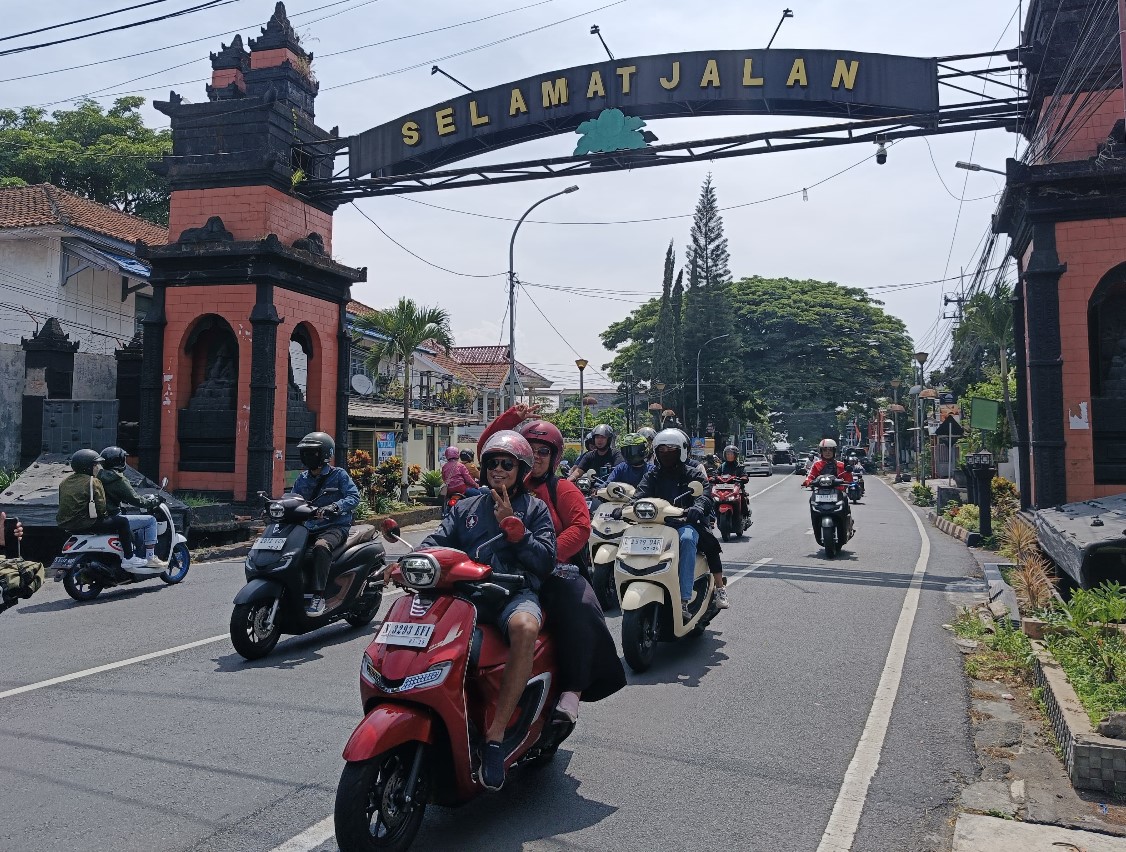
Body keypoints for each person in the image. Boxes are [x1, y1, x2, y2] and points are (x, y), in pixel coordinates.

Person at [418, 431, 556, 791]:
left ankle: (494, 738)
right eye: (492, 463)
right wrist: (411, 560)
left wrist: (517, 531)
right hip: (467, 598)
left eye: (506, 464)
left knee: (526, 627)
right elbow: (435, 542)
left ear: (521, 470)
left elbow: (544, 561)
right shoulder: (465, 508)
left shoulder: (535, 508)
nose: (498, 470)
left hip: (513, 594)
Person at [477, 408, 626, 723]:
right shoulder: (510, 479)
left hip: (554, 569)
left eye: (544, 451)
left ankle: (572, 692)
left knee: (581, 605)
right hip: (504, 568)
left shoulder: (564, 490)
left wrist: (546, 554)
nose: (538, 456)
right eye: (532, 450)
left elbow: (580, 527)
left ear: (555, 456)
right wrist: (511, 417)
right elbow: (487, 448)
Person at [635, 430, 730, 611]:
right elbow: (640, 495)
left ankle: (689, 597)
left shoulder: (692, 473)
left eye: (671, 450)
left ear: (682, 451)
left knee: (691, 540)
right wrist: (627, 507)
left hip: (686, 523)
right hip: (658, 525)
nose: (666, 454)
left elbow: (706, 493)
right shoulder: (652, 475)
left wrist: (698, 506)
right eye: (662, 450)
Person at [292, 432, 361, 615]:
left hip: (335, 526)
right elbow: (294, 498)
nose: (307, 456)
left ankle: (318, 596)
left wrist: (335, 507)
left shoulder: (338, 475)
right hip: (308, 527)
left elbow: (354, 497)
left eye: (312, 453)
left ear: (324, 454)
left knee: (321, 548)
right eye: (305, 452)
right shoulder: (302, 478)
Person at [56, 449, 148, 570]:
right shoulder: (93, 481)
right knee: (122, 522)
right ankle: (129, 558)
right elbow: (100, 505)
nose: (97, 467)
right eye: (95, 465)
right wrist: (105, 516)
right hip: (86, 523)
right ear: (87, 467)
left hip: (65, 523)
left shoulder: (65, 482)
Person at [98, 446, 166, 569]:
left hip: (102, 516)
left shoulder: (97, 477)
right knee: (150, 521)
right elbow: (137, 500)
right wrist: (155, 501)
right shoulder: (118, 479)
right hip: (114, 517)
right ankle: (150, 558)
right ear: (119, 461)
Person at [802, 439, 854, 532]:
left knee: (845, 497)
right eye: (825, 450)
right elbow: (810, 476)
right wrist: (807, 481)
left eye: (830, 450)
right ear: (821, 451)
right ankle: (816, 524)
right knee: (812, 500)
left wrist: (848, 478)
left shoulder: (841, 465)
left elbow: (848, 478)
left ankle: (847, 524)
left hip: (838, 492)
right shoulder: (816, 465)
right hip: (820, 492)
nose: (827, 452)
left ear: (834, 451)